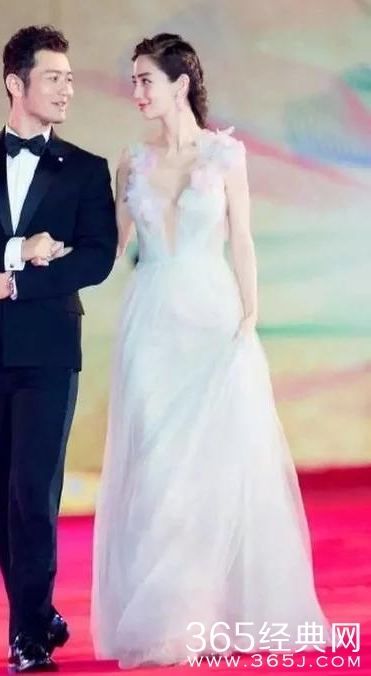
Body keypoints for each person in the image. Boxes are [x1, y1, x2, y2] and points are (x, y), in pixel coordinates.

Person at [91, 33, 329, 667]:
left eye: (145, 79)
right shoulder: (131, 161)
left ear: (179, 84)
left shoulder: (226, 156)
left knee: (218, 463)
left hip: (212, 319)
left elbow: (241, 238)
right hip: (151, 322)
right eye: (133, 80)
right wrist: (49, 254)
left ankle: (218, 611)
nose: (136, 91)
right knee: (158, 462)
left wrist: (251, 311)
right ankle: (166, 617)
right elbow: (111, 247)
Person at [0, 25, 116, 672]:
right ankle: (37, 613)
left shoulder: (86, 169)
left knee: (33, 492)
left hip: (48, 350)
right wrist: (15, 249)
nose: (67, 89)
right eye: (54, 78)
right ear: (17, 83)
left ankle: (27, 639)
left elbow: (96, 258)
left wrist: (18, 282)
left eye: (70, 78)